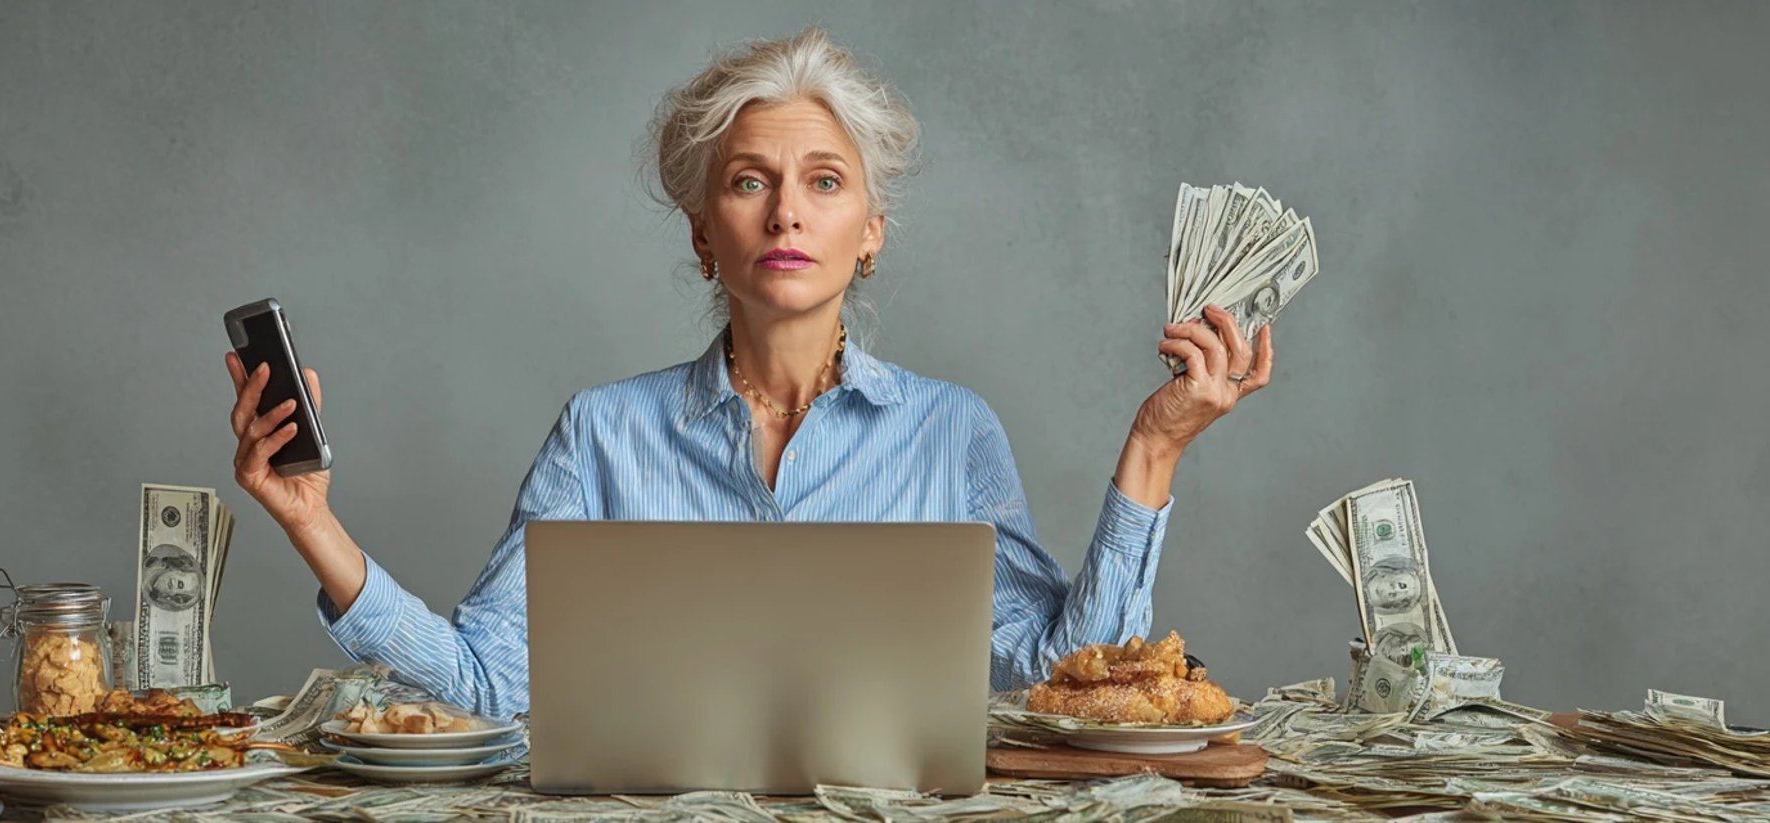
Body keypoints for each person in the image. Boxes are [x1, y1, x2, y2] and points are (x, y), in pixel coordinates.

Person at [223, 27, 1275, 719]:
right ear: (701, 233)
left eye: (823, 182)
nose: (785, 213)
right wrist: (314, 522)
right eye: (748, 181)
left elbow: (1059, 680)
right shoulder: (601, 433)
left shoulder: (953, 433)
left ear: (869, 233)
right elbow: (490, 686)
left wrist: (1155, 447)